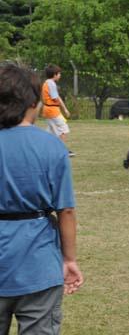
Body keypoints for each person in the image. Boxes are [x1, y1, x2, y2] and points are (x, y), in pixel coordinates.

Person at [0, 63, 84, 334]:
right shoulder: (52, 147)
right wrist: (69, 260)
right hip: (39, 265)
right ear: (33, 103)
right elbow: (66, 211)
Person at [41, 64, 75, 157]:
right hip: (52, 110)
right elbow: (56, 98)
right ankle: (62, 150)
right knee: (63, 129)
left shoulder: (46, 83)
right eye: (59, 73)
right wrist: (65, 109)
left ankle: (43, 149)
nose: (60, 75)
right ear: (54, 74)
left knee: (51, 131)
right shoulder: (51, 83)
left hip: (48, 110)